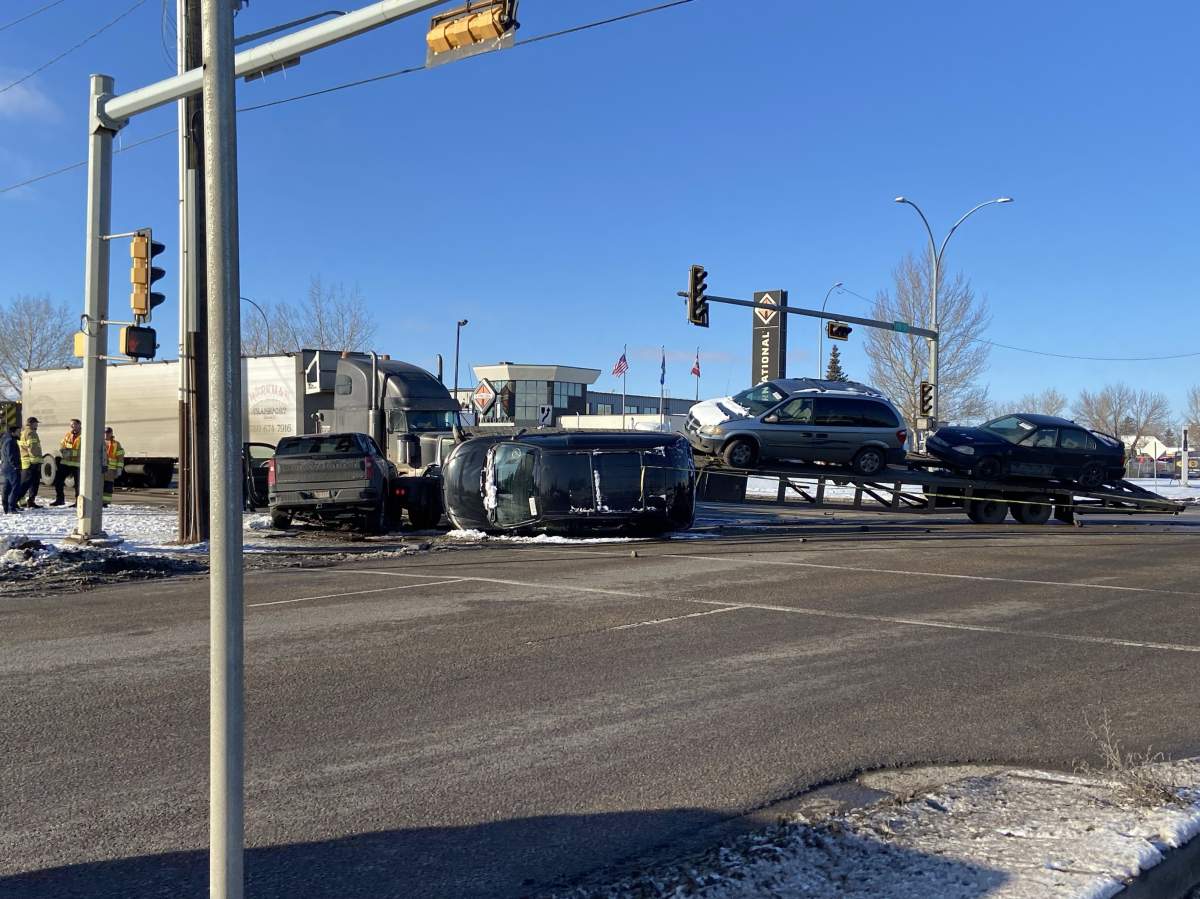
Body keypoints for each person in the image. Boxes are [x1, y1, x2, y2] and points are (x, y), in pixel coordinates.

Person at [53, 418, 82, 506]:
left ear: (79, 425)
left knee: (78, 485)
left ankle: (78, 502)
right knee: (58, 480)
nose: (72, 426)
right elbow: (63, 444)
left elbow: (84, 450)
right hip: (66, 462)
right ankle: (60, 499)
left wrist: (70, 452)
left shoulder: (84, 436)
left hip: (78, 463)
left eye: (74, 424)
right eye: (71, 424)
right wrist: (62, 450)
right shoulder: (68, 434)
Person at [17, 416, 42, 509]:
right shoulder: (31, 433)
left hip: (26, 461)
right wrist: (36, 459)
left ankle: (26, 501)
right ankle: (20, 500)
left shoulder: (23, 432)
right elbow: (33, 448)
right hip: (32, 461)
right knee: (30, 483)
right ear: (31, 423)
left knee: (28, 483)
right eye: (36, 423)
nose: (37, 425)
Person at [1, 423, 21, 514]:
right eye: (18, 432)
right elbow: (11, 455)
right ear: (13, 432)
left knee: (7, 487)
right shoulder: (10, 441)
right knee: (15, 487)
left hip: (6, 467)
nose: (19, 433)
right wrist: (15, 466)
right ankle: (11, 507)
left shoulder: (7, 439)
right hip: (11, 468)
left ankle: (6, 507)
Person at [103, 427, 125, 506]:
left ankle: (105, 503)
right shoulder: (98, 442)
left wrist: (119, 468)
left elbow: (120, 457)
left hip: (110, 470)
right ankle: (98, 501)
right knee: (98, 486)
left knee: (108, 487)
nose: (106, 434)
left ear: (111, 434)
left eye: (108, 433)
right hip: (99, 469)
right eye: (105, 433)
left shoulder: (116, 444)